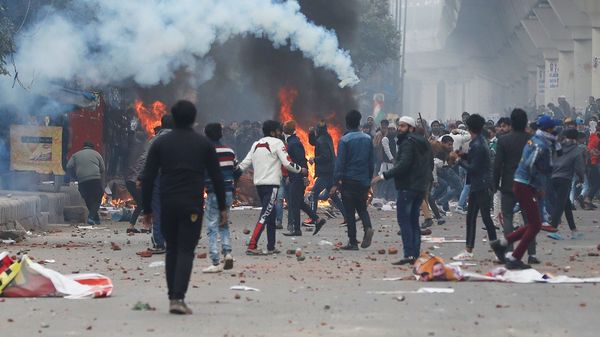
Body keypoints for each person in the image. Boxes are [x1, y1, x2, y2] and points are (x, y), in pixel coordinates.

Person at [141, 100, 227, 315]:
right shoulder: (203, 144)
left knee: (171, 249)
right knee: (186, 250)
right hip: (191, 204)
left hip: (167, 202)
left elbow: (148, 176)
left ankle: (173, 297)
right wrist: (223, 207)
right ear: (194, 119)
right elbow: (216, 177)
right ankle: (179, 297)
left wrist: (147, 210)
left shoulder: (160, 143)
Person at [491, 115, 559, 270]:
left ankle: (502, 243)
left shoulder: (536, 140)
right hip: (525, 184)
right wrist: (537, 187)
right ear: (548, 129)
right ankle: (515, 256)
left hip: (520, 183)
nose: (555, 131)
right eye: (553, 128)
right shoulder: (540, 144)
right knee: (534, 224)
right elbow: (531, 165)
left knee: (533, 223)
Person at [238, 120, 307, 255]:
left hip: (259, 185)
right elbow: (287, 163)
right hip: (271, 185)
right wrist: (300, 170)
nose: (280, 133)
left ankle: (271, 246)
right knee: (265, 214)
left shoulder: (256, 144)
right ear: (272, 131)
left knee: (271, 215)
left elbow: (244, 164)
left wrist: (233, 172)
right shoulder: (278, 143)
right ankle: (252, 245)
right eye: (278, 130)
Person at [373, 116, 432, 265]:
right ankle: (415, 254)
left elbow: (404, 165)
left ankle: (409, 253)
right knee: (413, 221)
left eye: (403, 126)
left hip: (408, 187)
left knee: (405, 221)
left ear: (411, 128)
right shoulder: (422, 142)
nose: (399, 129)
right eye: (399, 126)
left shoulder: (408, 143)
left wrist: (383, 175)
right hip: (419, 187)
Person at [493, 109, 538, 264]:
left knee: (507, 218)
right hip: (527, 184)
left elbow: (497, 165)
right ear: (525, 122)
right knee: (530, 220)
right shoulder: (532, 140)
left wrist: (495, 184)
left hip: (508, 184)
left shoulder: (504, 140)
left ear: (511, 123)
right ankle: (532, 253)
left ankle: (508, 251)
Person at [451, 114, 497, 261]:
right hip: (479, 185)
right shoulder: (479, 141)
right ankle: (469, 249)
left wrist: (458, 160)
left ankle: (497, 250)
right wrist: (463, 155)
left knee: (485, 219)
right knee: (471, 218)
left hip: (481, 185)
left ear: (469, 127)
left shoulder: (477, 144)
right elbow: (473, 158)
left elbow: (473, 167)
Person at [330, 110, 375, 250]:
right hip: (363, 180)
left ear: (347, 123)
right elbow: (371, 162)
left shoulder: (345, 140)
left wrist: (336, 183)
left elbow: (340, 163)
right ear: (359, 122)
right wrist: (368, 180)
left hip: (349, 181)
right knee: (362, 208)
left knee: (349, 212)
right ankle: (368, 227)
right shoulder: (368, 139)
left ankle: (353, 242)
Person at [201, 123, 238, 273]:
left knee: (211, 227)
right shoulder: (229, 151)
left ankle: (215, 262)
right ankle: (227, 253)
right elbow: (237, 171)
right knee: (224, 223)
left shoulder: (204, 152)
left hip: (213, 192)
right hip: (228, 192)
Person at [282, 121, 326, 237]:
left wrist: (304, 176)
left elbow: (301, 161)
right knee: (299, 202)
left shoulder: (294, 143)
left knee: (294, 203)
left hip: (297, 177)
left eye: (284, 128)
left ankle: (297, 229)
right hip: (295, 176)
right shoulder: (292, 142)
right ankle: (317, 220)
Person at [545, 128, 585, 240]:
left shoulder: (558, 146)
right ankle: (553, 228)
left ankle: (574, 230)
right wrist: (581, 179)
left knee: (566, 204)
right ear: (576, 138)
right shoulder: (576, 150)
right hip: (565, 179)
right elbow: (579, 168)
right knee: (560, 204)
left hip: (553, 177)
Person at [308, 121, 346, 224]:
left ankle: (313, 218)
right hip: (330, 171)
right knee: (333, 196)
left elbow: (326, 157)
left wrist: (314, 159)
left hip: (325, 172)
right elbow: (313, 142)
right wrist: (311, 134)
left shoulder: (322, 141)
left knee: (313, 193)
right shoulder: (325, 137)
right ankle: (347, 217)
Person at [67, 141, 105, 226]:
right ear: (92, 147)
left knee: (88, 199)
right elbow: (103, 169)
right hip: (95, 179)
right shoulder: (97, 154)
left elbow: (68, 166)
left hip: (82, 180)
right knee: (98, 197)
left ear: (83, 147)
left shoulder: (76, 155)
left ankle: (96, 219)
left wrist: (75, 176)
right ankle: (91, 217)